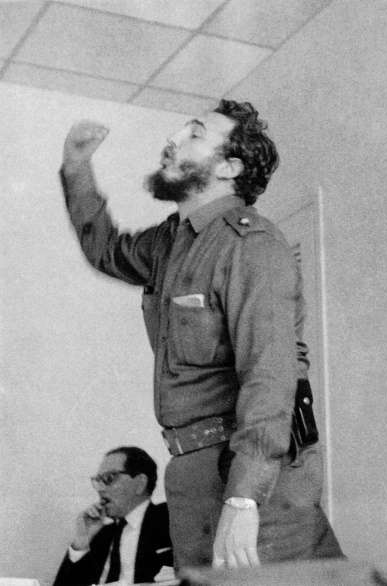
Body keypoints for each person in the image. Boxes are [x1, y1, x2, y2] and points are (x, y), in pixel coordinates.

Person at [59, 99, 342, 570]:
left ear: (230, 166)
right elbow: (106, 250)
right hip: (191, 472)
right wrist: (77, 167)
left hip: (251, 475)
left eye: (193, 134)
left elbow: (272, 377)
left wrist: (244, 500)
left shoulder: (252, 245)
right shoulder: (172, 242)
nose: (172, 140)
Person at [53, 446, 172, 585]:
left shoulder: (170, 521)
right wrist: (82, 540)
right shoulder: (103, 533)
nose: (100, 489)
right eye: (98, 480)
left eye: (109, 478)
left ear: (140, 483)